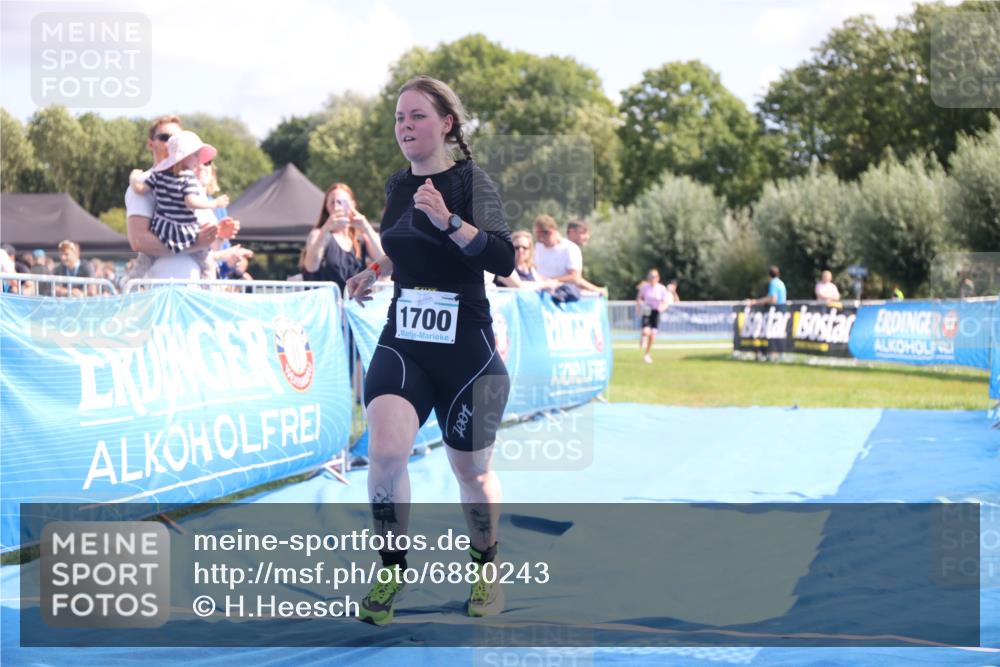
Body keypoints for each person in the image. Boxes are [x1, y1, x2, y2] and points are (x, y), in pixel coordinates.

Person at [344, 75, 515, 626]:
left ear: (446, 124)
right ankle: (392, 567)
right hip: (405, 342)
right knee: (386, 453)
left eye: (416, 116)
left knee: (471, 472)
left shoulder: (472, 183)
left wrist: (449, 221)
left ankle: (485, 565)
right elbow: (402, 248)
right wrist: (373, 270)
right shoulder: (397, 186)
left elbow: (504, 259)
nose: (405, 127)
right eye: (399, 118)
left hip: (467, 350)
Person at [123, 116, 243, 282]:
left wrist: (219, 234)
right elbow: (138, 241)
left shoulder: (192, 183)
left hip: (194, 296)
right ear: (151, 144)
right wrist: (195, 243)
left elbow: (209, 247)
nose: (173, 142)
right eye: (165, 137)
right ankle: (125, 289)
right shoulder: (147, 180)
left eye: (177, 137)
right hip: (161, 294)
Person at [302, 182, 383, 292]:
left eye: (341, 202)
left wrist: (366, 227)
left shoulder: (361, 237)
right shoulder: (319, 234)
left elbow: (384, 260)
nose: (336, 206)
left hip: (353, 305)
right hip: (326, 305)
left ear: (352, 204)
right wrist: (326, 229)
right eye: (332, 202)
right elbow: (310, 267)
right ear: (326, 206)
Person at [532, 215, 607, 296]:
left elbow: (574, 277)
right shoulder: (538, 246)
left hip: (562, 296)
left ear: (551, 232)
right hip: (540, 293)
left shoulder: (570, 248)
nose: (540, 241)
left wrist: (548, 281)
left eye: (541, 237)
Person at [496, 230, 560, 290]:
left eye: (524, 248)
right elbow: (519, 286)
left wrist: (552, 282)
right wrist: (546, 284)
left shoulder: (530, 268)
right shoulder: (504, 267)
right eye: (516, 247)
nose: (521, 250)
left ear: (530, 250)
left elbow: (539, 282)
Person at [636, 269, 670, 364]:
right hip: (647, 311)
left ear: (658, 278)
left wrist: (662, 307)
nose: (652, 278)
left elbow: (666, 301)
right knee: (646, 331)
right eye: (651, 276)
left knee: (653, 334)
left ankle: (647, 354)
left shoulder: (661, 288)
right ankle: (643, 337)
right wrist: (639, 308)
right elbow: (639, 298)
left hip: (656, 312)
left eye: (654, 277)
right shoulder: (645, 287)